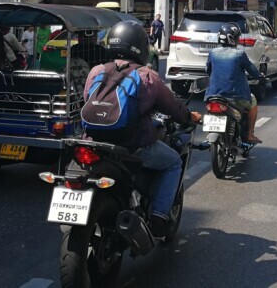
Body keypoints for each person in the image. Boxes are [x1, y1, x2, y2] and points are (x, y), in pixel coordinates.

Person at [83, 21, 202, 238]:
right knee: (173, 163)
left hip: (93, 142)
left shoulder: (97, 71)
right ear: (140, 47)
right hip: (131, 145)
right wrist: (189, 117)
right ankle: (158, 217)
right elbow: (173, 107)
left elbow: (87, 101)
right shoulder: (146, 76)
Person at [205, 23, 263, 144]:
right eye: (237, 37)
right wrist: (260, 76)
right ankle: (250, 134)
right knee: (253, 101)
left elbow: (208, 71)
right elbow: (253, 71)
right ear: (233, 39)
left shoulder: (213, 53)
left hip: (213, 95)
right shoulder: (239, 54)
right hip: (235, 96)